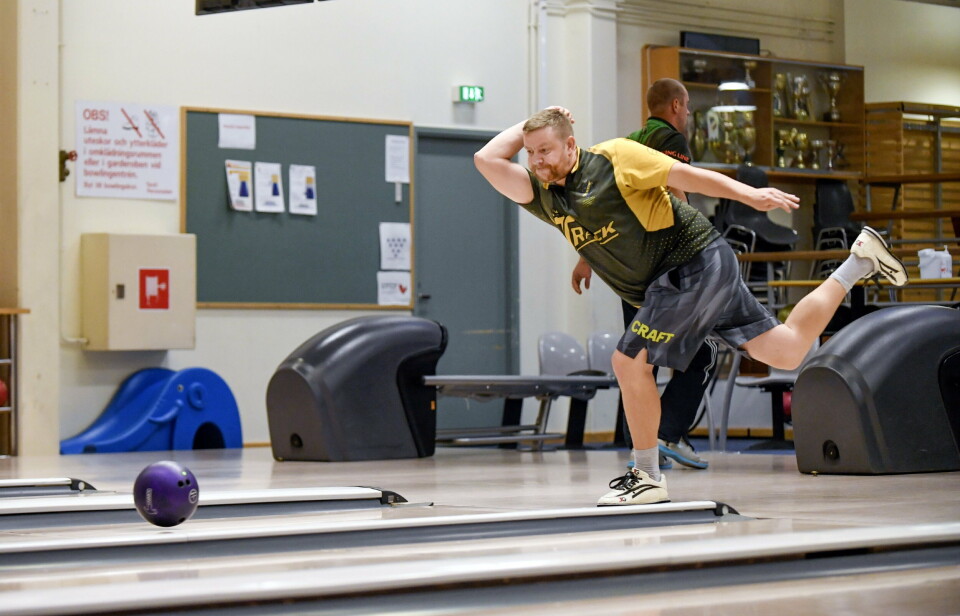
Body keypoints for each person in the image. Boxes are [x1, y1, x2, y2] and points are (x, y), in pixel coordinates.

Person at [474, 106, 907, 506]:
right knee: (787, 350)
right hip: (680, 280)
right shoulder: (547, 197)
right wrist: (531, 127)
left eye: (546, 150)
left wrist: (748, 196)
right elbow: (486, 160)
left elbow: (687, 175)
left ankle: (646, 475)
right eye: (530, 153)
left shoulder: (615, 158)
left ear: (572, 144)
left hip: (692, 262)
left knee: (629, 362)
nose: (536, 161)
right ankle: (859, 261)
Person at [571, 78, 713, 470]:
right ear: (673, 106)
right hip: (665, 267)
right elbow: (678, 191)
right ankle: (666, 433)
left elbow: (599, 207)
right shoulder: (671, 139)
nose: (686, 114)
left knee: (639, 360)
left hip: (627, 271)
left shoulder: (627, 143)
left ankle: (643, 447)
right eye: (685, 106)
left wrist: (587, 256)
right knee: (704, 352)